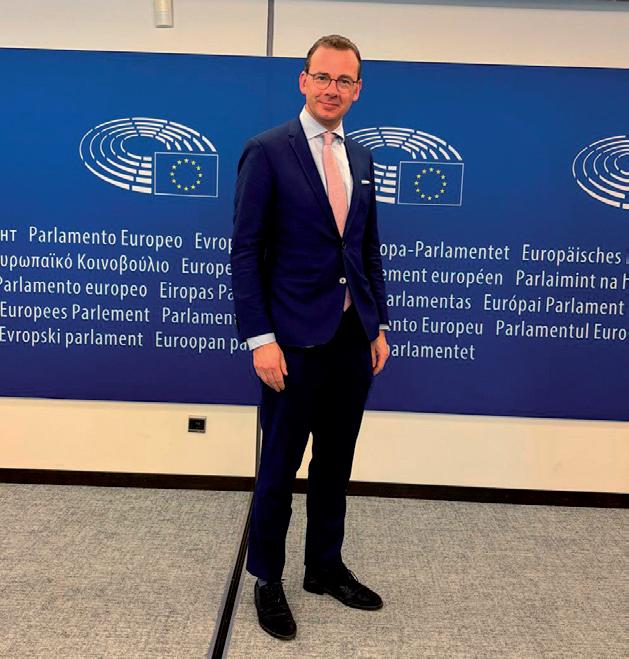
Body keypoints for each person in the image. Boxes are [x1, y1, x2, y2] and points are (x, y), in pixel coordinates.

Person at [231, 34, 390, 641]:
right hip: (291, 341)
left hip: (351, 339)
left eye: (344, 80)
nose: (332, 89)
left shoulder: (363, 159)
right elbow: (245, 253)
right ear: (303, 81)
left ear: (358, 90)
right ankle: (266, 578)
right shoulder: (267, 151)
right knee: (279, 466)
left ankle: (324, 566)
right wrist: (260, 339)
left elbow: (366, 248)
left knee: (335, 463)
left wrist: (377, 324)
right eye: (322, 77)